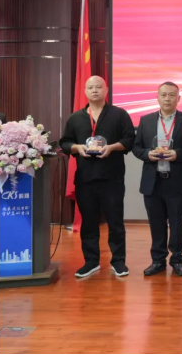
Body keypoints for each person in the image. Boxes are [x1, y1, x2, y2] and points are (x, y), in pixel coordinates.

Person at [59, 75, 135, 278]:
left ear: (106, 90)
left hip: (112, 178)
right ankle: (91, 261)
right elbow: (64, 143)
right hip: (85, 179)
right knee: (89, 222)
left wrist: (112, 147)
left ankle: (118, 261)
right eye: (91, 87)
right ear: (85, 91)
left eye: (98, 87)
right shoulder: (75, 118)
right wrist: (77, 147)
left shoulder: (119, 114)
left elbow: (130, 139)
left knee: (115, 222)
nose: (94, 90)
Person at [132, 82, 182, 277]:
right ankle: (158, 260)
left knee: (176, 223)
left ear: (178, 98)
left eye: (171, 95)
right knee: (156, 223)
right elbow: (136, 147)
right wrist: (147, 154)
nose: (167, 99)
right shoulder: (146, 120)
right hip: (152, 181)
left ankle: (177, 260)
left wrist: (178, 154)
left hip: (176, 180)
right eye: (163, 95)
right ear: (157, 97)